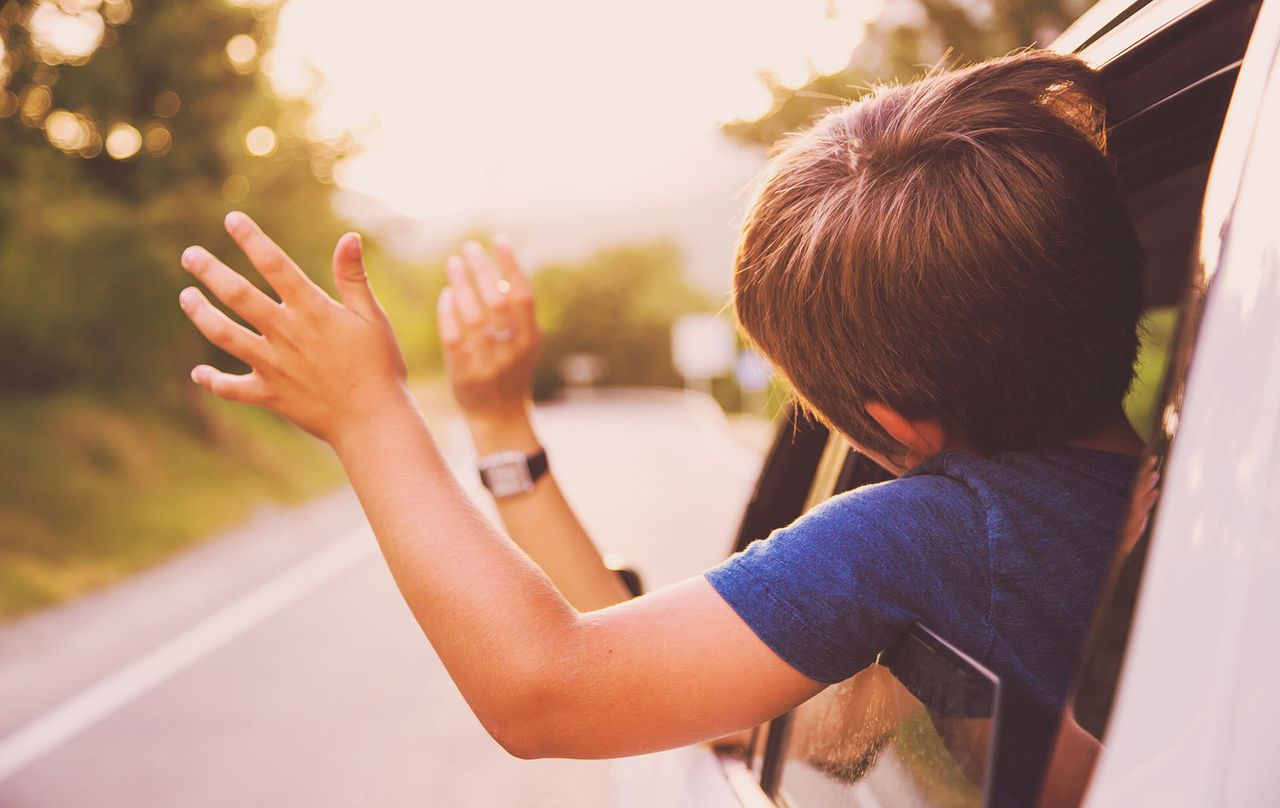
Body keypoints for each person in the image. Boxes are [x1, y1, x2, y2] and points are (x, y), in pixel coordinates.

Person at [175, 49, 1146, 805]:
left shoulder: (935, 535)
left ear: (890, 425)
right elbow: (671, 681)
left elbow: (547, 686)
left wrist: (368, 416)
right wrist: (500, 426)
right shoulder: (1187, 500)